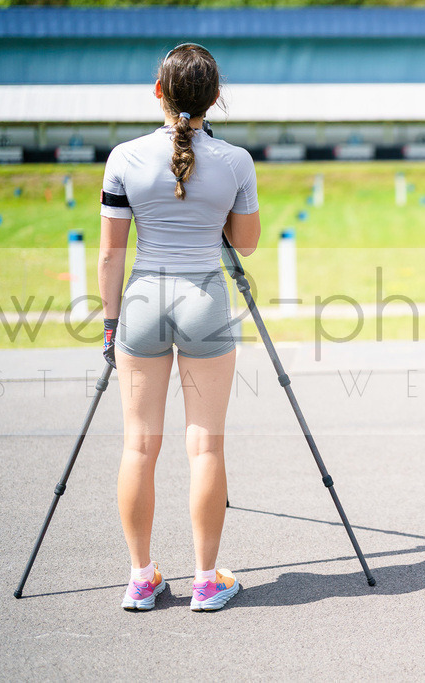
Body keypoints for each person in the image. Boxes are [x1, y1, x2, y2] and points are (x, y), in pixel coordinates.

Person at [98, 43, 260, 612]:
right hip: (204, 301)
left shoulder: (123, 156)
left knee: (138, 445)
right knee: (205, 446)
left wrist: (110, 326)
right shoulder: (236, 160)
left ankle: (142, 578)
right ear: (216, 97)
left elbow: (111, 256)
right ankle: (206, 581)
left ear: (159, 92)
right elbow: (245, 243)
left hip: (142, 302)